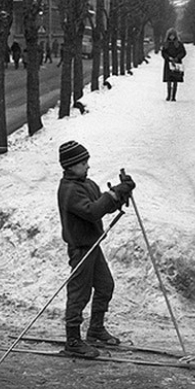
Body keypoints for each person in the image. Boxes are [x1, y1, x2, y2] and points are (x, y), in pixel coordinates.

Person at [57, 141, 136, 358]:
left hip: (93, 245)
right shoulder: (69, 190)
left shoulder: (87, 184)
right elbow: (92, 211)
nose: (87, 166)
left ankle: (95, 329)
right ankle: (73, 340)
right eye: (83, 163)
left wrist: (120, 194)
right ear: (71, 166)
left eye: (87, 162)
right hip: (80, 249)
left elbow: (101, 206)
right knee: (79, 294)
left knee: (105, 286)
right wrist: (113, 195)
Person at [161, 28, 186, 101]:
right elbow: (163, 53)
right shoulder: (166, 44)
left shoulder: (179, 44)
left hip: (176, 63)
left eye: (173, 36)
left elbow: (183, 52)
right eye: (170, 36)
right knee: (168, 80)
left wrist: (177, 58)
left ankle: (174, 96)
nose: (171, 37)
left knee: (175, 80)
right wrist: (168, 57)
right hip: (168, 64)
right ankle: (168, 95)